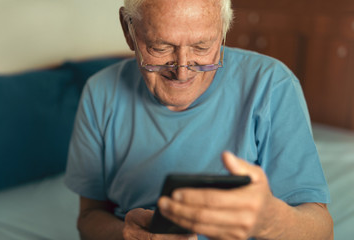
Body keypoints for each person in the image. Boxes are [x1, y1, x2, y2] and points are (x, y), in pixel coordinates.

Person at [64, 0, 333, 239]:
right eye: (160, 47)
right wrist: (126, 235)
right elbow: (88, 217)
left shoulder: (272, 84)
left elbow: (323, 230)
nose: (182, 72)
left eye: (202, 47)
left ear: (224, 31)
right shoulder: (99, 92)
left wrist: (272, 222)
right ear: (128, 29)